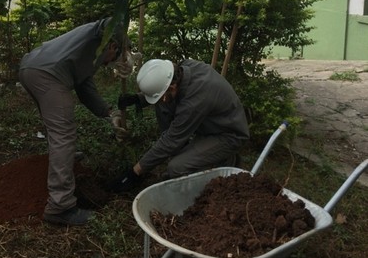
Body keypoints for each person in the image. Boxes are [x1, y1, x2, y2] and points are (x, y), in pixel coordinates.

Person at [19, 17, 129, 226]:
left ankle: (63, 159)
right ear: (113, 46)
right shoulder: (99, 34)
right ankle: (60, 207)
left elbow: (85, 89)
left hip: (31, 68)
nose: (109, 64)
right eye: (113, 58)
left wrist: (109, 113)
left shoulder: (86, 55)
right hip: (47, 74)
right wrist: (127, 47)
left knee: (56, 128)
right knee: (64, 135)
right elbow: (109, 22)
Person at [112, 58, 250, 192]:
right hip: (210, 124)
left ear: (172, 87)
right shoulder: (183, 68)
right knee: (162, 105)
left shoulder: (194, 102)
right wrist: (139, 99)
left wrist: (135, 172)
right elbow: (164, 90)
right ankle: (187, 153)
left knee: (176, 168)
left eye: (162, 94)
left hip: (228, 135)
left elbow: (171, 140)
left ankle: (226, 161)